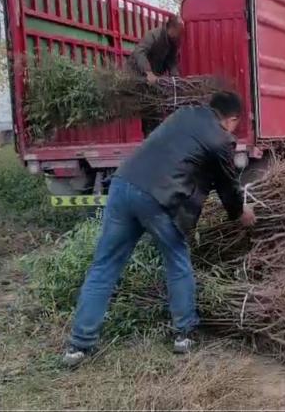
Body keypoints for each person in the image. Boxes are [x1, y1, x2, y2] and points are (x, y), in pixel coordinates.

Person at [62, 91, 256, 367]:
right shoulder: (221, 138)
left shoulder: (183, 114)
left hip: (122, 184)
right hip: (157, 198)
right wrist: (240, 213)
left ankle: (78, 346)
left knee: (104, 266)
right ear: (232, 119)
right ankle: (184, 334)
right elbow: (228, 186)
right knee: (177, 260)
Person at [128, 15, 183, 84]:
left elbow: (172, 62)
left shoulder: (173, 43)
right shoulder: (154, 35)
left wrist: (176, 77)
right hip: (136, 74)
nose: (181, 34)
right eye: (180, 31)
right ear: (173, 28)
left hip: (153, 78)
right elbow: (139, 52)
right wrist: (148, 72)